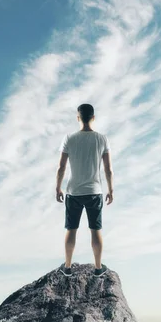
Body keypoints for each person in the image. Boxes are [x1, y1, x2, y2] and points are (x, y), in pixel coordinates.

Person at [55, 103, 114, 277]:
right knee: (95, 230)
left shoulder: (69, 138)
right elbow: (108, 169)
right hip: (95, 191)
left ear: (78, 117)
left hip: (73, 192)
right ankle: (97, 268)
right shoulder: (102, 139)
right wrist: (111, 190)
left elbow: (61, 167)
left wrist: (58, 188)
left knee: (71, 229)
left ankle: (67, 267)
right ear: (93, 117)